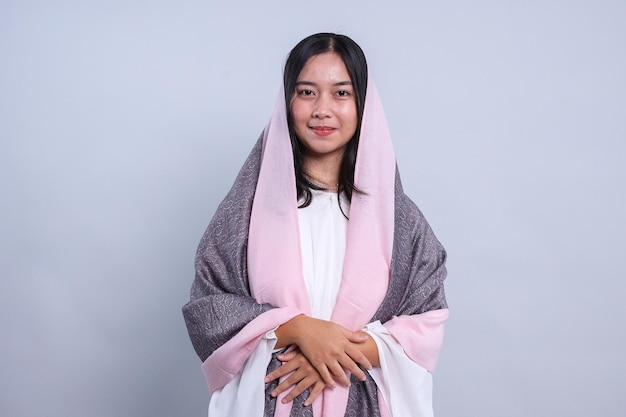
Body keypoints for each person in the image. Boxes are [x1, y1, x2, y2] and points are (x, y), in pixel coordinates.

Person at [183, 33, 449, 417]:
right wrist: (297, 329)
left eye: (341, 94)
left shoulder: (400, 222)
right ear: (287, 101)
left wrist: (331, 354)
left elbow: (426, 321)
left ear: (364, 104)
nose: (323, 109)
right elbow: (208, 309)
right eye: (307, 92)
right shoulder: (246, 213)